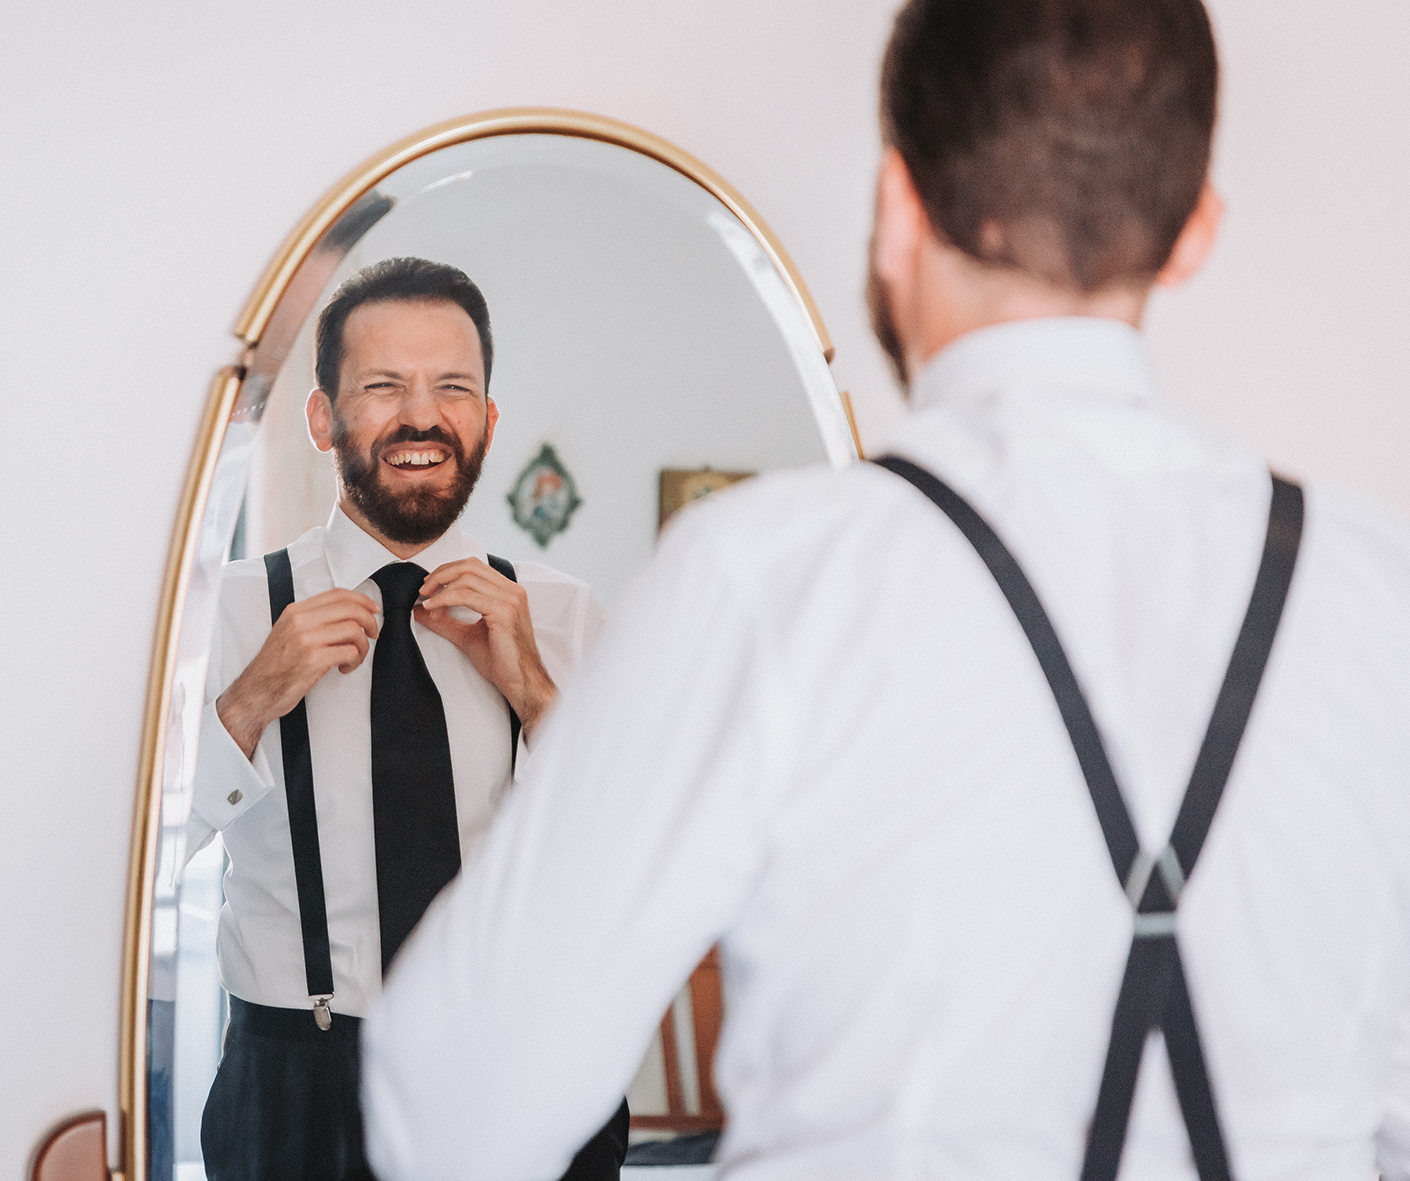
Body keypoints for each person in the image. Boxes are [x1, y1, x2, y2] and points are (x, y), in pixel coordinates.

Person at [361, 3, 1410, 1179]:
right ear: (1191, 233)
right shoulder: (1377, 593)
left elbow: (449, 1110)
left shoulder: (764, 578)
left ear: (898, 206)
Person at [185, 256, 629, 1181]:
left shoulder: (568, 614)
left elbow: (634, 863)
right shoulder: (225, 613)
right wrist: (249, 699)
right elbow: (132, 862)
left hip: (527, 1071)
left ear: (487, 421)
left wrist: (540, 698)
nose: (421, 417)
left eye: (452, 388)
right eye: (383, 386)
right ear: (323, 418)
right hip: (294, 1093)